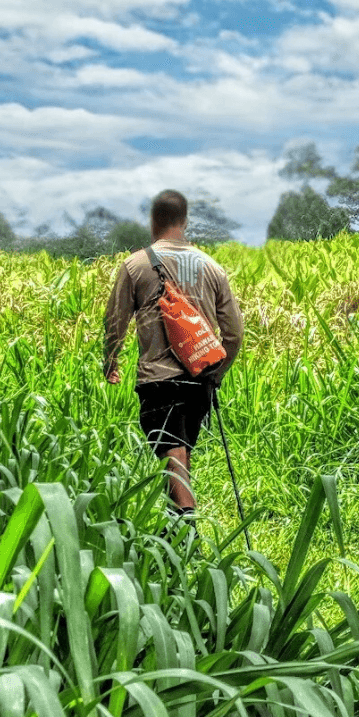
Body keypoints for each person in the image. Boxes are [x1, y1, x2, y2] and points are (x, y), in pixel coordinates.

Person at [102, 190, 245, 514]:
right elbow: (234, 334)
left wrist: (110, 361)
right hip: (200, 381)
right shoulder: (212, 267)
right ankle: (175, 540)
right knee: (179, 453)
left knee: (173, 454)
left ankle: (187, 527)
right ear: (184, 221)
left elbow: (115, 322)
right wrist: (216, 374)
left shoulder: (135, 265)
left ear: (154, 221)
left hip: (158, 381)